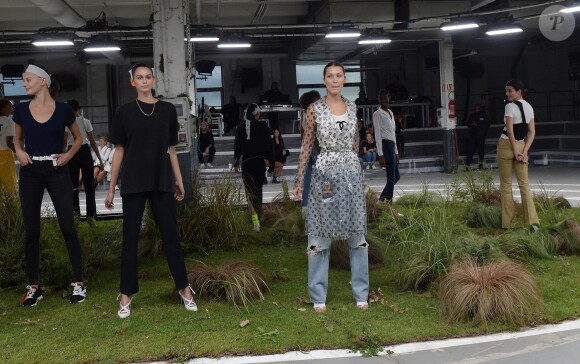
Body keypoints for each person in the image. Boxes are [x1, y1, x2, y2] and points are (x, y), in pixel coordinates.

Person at [104, 63, 197, 318]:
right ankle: (126, 294)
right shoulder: (124, 112)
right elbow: (119, 152)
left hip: (161, 181)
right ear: (132, 82)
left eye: (148, 77)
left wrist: (179, 181)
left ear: (154, 80)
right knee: (130, 241)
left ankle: (184, 288)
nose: (144, 81)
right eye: (139, 78)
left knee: (171, 238)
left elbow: (171, 149)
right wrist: (111, 189)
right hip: (133, 182)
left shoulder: (166, 110)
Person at [292, 61, 369, 313]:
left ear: (344, 79)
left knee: (357, 234)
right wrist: (298, 180)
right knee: (319, 234)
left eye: (339, 76)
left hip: (350, 174)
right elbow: (306, 146)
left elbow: (356, 143)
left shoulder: (353, 106)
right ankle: (318, 295)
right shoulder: (314, 109)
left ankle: (361, 293)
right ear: (324, 80)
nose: (335, 80)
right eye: (330, 76)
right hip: (324, 174)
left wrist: (356, 172)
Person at [12, 64, 86, 306]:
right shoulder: (21, 110)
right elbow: (17, 140)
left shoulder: (64, 110)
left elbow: (79, 138)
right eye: (24, 80)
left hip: (57, 170)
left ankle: (78, 283)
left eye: (28, 79)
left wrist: (67, 156)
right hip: (30, 172)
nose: (24, 83)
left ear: (43, 81)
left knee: (68, 226)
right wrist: (19, 152)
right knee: (32, 231)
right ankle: (33, 287)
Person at [497, 79, 540, 231]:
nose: (507, 93)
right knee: (524, 184)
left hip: (507, 145)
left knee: (506, 184)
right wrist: (524, 151)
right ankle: (532, 223)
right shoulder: (529, 107)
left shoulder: (509, 106)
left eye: (510, 90)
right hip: (522, 145)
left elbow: (510, 131)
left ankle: (507, 224)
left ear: (519, 91)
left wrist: (515, 151)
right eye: (506, 90)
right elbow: (532, 131)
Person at [234, 103, 275, 232]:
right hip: (259, 163)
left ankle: (255, 222)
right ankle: (259, 216)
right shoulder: (263, 127)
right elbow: (270, 147)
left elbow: (237, 147)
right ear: (256, 114)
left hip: (247, 162)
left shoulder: (241, 128)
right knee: (258, 191)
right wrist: (272, 165)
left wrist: (236, 162)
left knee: (249, 192)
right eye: (259, 113)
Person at [65, 99, 102, 222]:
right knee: (88, 185)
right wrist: (100, 159)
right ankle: (91, 216)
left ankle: (76, 217)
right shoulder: (85, 122)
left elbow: (64, 143)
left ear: (70, 108)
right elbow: (92, 142)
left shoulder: (67, 124)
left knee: (74, 186)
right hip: (83, 150)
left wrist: (63, 156)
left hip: (73, 151)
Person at [374, 89, 401, 204]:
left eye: (385, 98)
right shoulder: (377, 114)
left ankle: (381, 199)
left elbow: (393, 134)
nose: (383, 100)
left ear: (389, 98)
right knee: (391, 177)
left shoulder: (390, 112)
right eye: (381, 98)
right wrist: (380, 155)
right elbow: (377, 134)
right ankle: (389, 201)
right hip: (385, 146)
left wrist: (396, 152)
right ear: (379, 100)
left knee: (396, 176)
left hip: (392, 146)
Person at [298, 90, 321, 210]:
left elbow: (302, 134)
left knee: (306, 179)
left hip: (306, 148)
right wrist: (321, 149)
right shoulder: (314, 114)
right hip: (316, 148)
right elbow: (316, 134)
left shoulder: (303, 114)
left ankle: (305, 205)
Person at [465, 103, 490, 169]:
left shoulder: (485, 116)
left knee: (481, 152)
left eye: (478, 108)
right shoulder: (472, 115)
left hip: (481, 137)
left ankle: (481, 166)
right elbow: (467, 123)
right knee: (470, 151)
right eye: (475, 108)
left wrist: (477, 125)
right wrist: (471, 124)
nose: (476, 109)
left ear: (481, 108)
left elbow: (487, 126)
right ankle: (467, 166)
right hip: (473, 136)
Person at [0, 99, 17, 192]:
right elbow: (9, 143)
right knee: (9, 184)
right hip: (5, 156)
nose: (12, 107)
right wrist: (19, 152)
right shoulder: (9, 122)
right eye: (10, 106)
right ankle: (11, 206)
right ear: (3, 109)